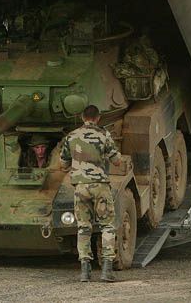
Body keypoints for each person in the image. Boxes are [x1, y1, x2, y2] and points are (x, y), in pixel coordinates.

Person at [60, 105, 121, 282]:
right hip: (100, 186)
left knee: (83, 227)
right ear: (98, 118)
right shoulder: (104, 135)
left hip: (80, 187)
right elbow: (116, 161)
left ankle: (85, 272)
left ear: (82, 117)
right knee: (107, 226)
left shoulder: (71, 136)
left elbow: (63, 164)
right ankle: (106, 269)